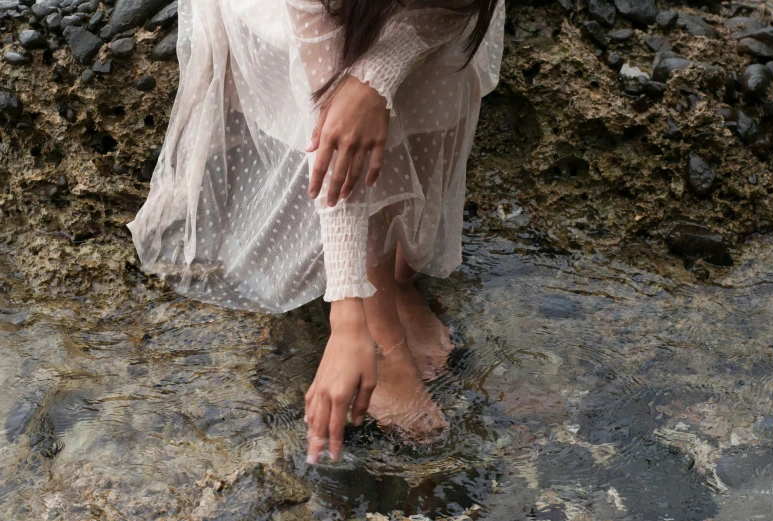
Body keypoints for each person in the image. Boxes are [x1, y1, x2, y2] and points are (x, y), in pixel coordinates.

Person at [126, 0, 505, 465]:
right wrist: (350, 322)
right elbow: (332, 139)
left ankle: (397, 283)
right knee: (350, 108)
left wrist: (376, 77)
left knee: (432, 74)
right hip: (310, 14)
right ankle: (383, 321)